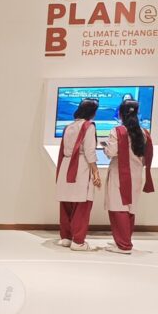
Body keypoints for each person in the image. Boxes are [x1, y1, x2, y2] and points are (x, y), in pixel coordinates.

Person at [102, 99, 155, 254]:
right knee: (130, 209)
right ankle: (124, 240)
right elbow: (146, 157)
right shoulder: (144, 132)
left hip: (119, 174)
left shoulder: (117, 131)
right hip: (136, 174)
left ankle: (123, 245)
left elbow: (112, 152)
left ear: (120, 113)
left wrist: (105, 148)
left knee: (118, 208)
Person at [56, 98, 102, 251]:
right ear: (92, 112)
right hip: (80, 166)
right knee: (82, 205)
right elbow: (89, 151)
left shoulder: (68, 126)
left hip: (66, 165)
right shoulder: (89, 126)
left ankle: (66, 237)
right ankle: (78, 241)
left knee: (66, 203)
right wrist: (95, 171)